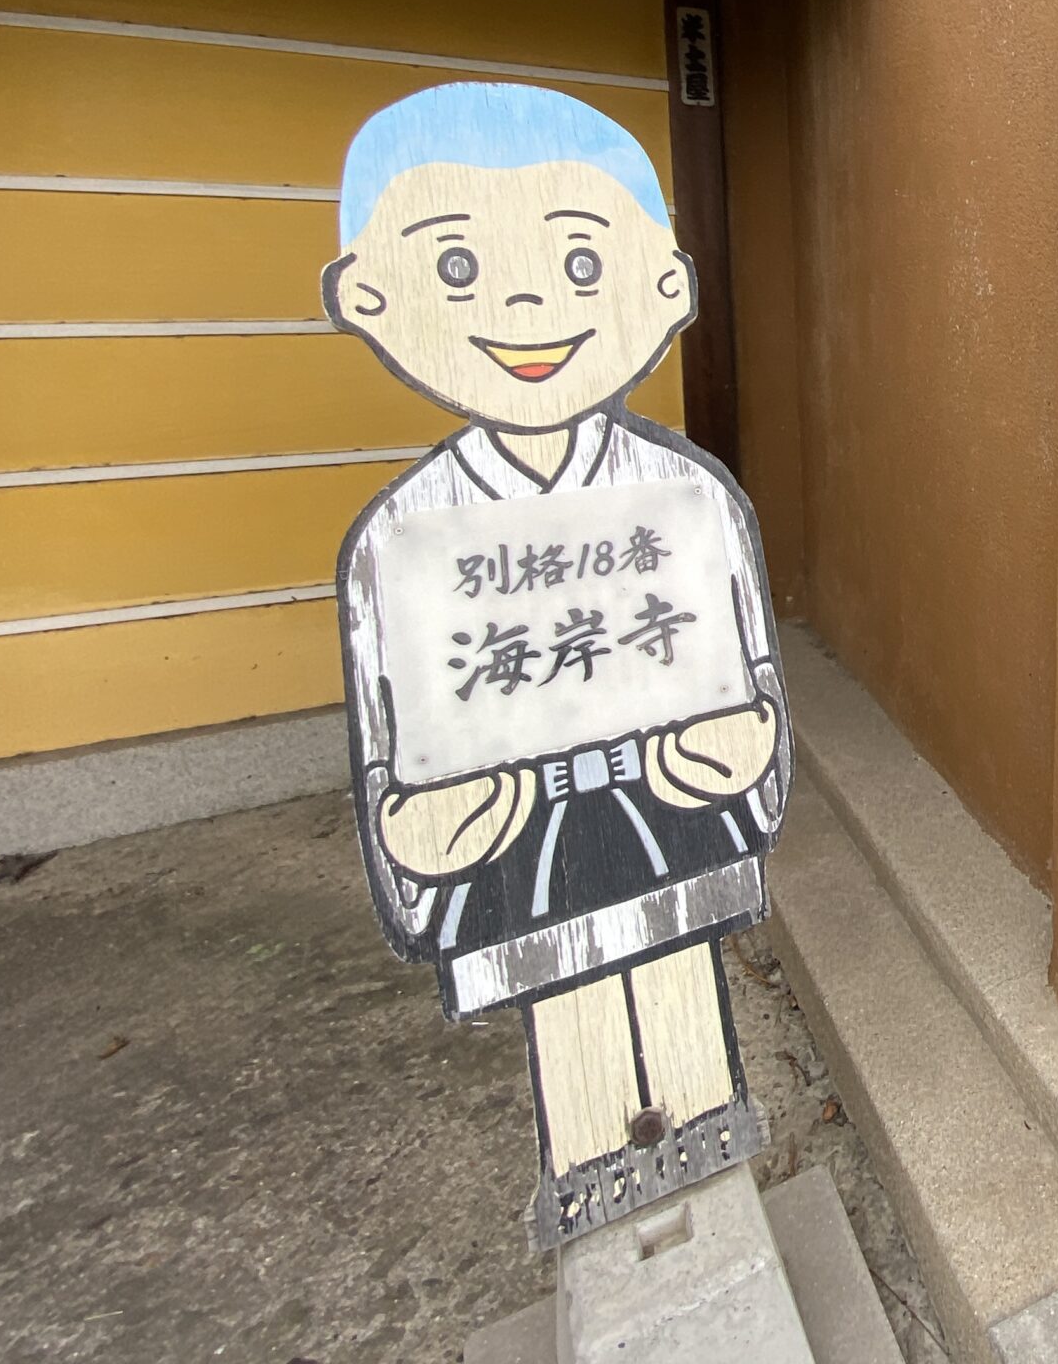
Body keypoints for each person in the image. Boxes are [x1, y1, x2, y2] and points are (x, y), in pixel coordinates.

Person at [323, 80, 790, 1248]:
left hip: (662, 793)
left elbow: (745, 664)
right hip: (511, 815)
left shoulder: (684, 495)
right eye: (459, 268)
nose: (528, 301)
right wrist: (412, 823)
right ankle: (590, 1165)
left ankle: (703, 1122)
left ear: (663, 286)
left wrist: (745, 748)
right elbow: (391, 723)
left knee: (672, 966)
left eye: (583, 264)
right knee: (571, 987)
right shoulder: (404, 535)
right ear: (367, 294)